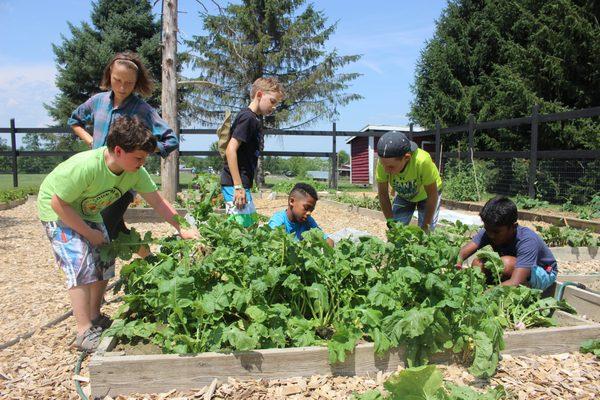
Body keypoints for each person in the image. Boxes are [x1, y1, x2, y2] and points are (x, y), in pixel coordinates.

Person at [37, 116, 197, 351]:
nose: (142, 163)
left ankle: (94, 317)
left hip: (88, 211)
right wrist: (88, 234)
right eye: (139, 158)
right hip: (59, 212)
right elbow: (58, 204)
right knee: (79, 262)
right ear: (119, 151)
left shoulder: (135, 172)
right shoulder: (87, 166)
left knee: (105, 259)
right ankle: (83, 331)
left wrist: (181, 227)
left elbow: (158, 202)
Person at [68, 51, 178, 242]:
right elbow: (74, 120)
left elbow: (171, 140)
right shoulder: (98, 101)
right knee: (116, 231)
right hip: (97, 177)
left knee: (103, 229)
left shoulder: (143, 109)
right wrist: (90, 141)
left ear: (136, 83)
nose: (122, 87)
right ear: (109, 74)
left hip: (124, 182)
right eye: (117, 80)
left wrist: (142, 150)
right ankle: (148, 260)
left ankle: (99, 270)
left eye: (129, 83)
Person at [456, 196, 558, 290]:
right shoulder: (491, 230)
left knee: (505, 263)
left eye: (496, 232)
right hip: (517, 268)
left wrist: (484, 295)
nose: (491, 235)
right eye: (487, 229)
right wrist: (458, 267)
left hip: (543, 272)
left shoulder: (527, 240)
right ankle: (498, 287)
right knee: (477, 263)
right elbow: (462, 253)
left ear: (513, 227)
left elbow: (516, 281)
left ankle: (520, 290)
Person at [221, 77, 284, 227]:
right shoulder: (248, 117)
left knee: (249, 227)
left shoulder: (254, 119)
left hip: (242, 184)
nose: (274, 107)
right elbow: (230, 150)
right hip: (235, 184)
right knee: (239, 229)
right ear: (260, 95)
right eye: (272, 101)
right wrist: (238, 186)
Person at [376, 131, 442, 232]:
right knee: (396, 230)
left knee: (425, 233)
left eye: (390, 167)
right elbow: (383, 194)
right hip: (404, 194)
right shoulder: (384, 163)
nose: (386, 170)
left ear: (406, 158)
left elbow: (432, 195)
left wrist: (425, 226)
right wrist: (390, 221)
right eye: (383, 164)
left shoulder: (422, 161)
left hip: (427, 195)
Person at [268, 183, 334, 246]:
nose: (309, 213)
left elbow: (329, 241)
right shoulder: (277, 222)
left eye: (311, 210)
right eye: (306, 208)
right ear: (292, 201)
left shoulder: (308, 220)